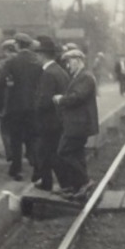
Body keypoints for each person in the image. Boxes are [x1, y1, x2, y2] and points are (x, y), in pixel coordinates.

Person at [53, 47, 99, 197]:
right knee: (77, 153)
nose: (67, 66)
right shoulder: (79, 76)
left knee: (64, 151)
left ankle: (85, 182)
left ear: (78, 61)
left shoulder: (86, 77)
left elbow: (77, 97)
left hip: (79, 124)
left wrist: (61, 99)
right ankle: (78, 187)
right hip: (76, 123)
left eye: (70, 62)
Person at [31, 36, 69, 191]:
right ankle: (48, 182)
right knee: (48, 152)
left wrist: (35, 106)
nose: (37, 58)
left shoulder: (48, 73)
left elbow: (45, 100)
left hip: (48, 120)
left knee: (48, 153)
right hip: (58, 119)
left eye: (38, 55)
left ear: (42, 55)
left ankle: (64, 184)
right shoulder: (60, 71)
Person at [0, 33, 39, 181]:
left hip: (15, 107)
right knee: (32, 138)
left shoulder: (11, 62)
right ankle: (37, 170)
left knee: (16, 139)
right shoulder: (37, 62)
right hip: (33, 107)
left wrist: (10, 85)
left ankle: (16, 169)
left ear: (17, 45)